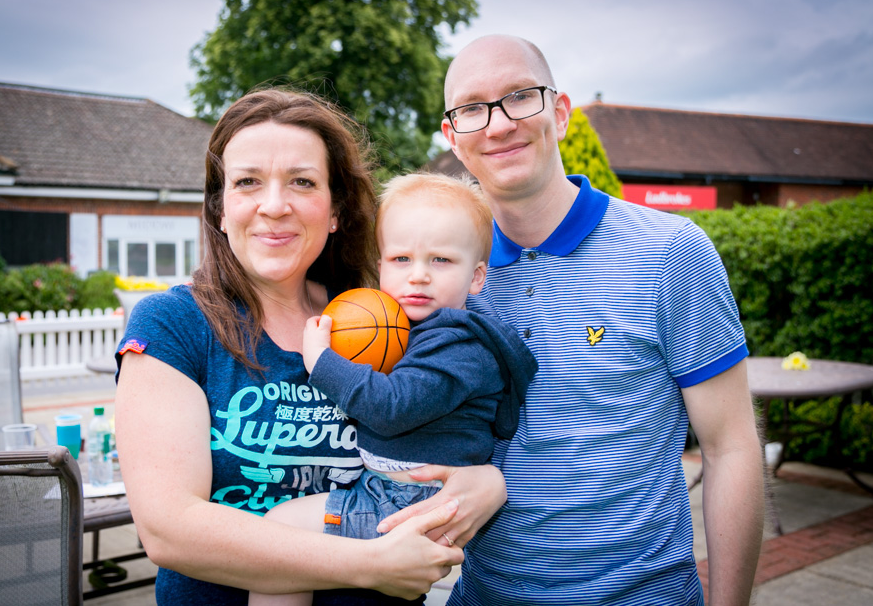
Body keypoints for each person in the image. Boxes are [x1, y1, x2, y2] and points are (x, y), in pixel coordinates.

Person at [382, 35, 766, 604]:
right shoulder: (435, 277)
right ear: (453, 137)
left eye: (520, 96)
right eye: (472, 108)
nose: (498, 125)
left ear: (559, 113)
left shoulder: (669, 252)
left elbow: (731, 447)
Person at [113, 89, 509, 605]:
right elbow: (169, 530)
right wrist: (370, 565)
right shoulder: (176, 323)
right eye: (248, 182)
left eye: (302, 181)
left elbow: (456, 418)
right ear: (220, 209)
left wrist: (488, 483)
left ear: (335, 209)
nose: (275, 205)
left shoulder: (384, 313)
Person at [250, 173, 538, 606]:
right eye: (401, 259)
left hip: (409, 500)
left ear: (477, 277)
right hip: (392, 489)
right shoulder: (423, 330)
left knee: (280, 532)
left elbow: (392, 407)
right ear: (380, 266)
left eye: (441, 260)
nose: (418, 276)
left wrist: (322, 361)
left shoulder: (459, 345)